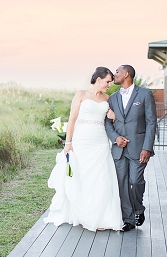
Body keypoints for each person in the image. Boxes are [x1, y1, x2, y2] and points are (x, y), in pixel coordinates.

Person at [43, 67, 123, 232]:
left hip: (100, 141)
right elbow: (72, 120)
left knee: (101, 178)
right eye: (108, 81)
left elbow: (113, 120)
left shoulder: (107, 99)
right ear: (98, 79)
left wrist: (113, 116)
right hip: (81, 141)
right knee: (83, 176)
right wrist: (68, 143)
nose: (109, 84)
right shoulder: (80, 94)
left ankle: (100, 217)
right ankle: (83, 214)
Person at [105, 65, 157, 232]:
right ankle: (129, 219)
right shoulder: (112, 98)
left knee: (135, 181)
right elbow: (107, 122)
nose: (114, 74)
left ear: (126, 74)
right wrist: (115, 138)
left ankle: (138, 208)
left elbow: (151, 122)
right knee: (121, 184)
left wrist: (147, 148)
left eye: (117, 72)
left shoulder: (144, 94)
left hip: (139, 148)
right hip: (119, 149)